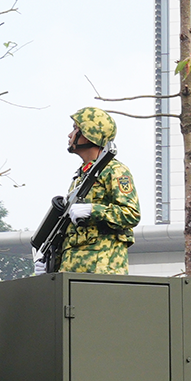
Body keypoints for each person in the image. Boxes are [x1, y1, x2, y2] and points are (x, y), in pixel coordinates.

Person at [58, 107, 140, 275]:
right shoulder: (80, 177)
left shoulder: (115, 170)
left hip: (102, 269)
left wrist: (93, 210)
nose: (70, 135)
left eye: (75, 128)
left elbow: (131, 213)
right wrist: (53, 261)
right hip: (72, 271)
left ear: (89, 133)